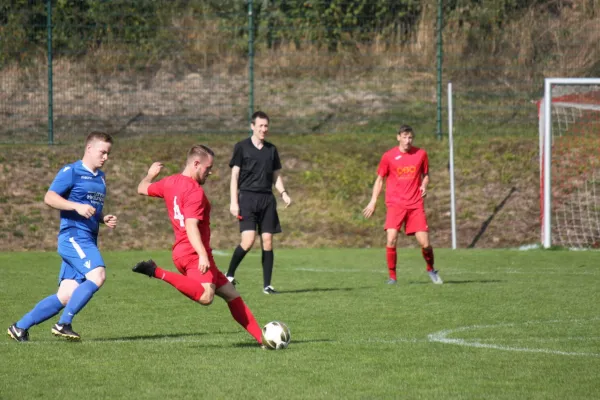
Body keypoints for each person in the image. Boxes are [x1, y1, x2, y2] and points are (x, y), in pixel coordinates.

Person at [132, 145, 264, 345]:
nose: (210, 172)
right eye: (208, 167)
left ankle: (263, 340)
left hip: (185, 251)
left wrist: (150, 175)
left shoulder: (170, 182)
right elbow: (191, 225)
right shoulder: (194, 192)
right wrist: (202, 255)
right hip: (193, 253)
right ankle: (156, 271)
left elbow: (141, 188)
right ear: (195, 163)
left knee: (231, 294)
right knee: (205, 296)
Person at [7, 131, 118, 342]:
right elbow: (49, 197)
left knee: (66, 295)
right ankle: (63, 323)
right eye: (102, 152)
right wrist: (75, 206)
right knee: (98, 275)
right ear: (89, 149)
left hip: (87, 238)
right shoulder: (72, 171)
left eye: (108, 154)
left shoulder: (101, 178)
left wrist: (104, 218)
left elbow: (91, 208)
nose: (105, 158)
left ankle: (19, 327)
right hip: (74, 237)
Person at [362, 125, 442, 285]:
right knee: (391, 239)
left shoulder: (421, 154)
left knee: (425, 244)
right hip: (395, 204)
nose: (408, 140)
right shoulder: (388, 156)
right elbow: (379, 180)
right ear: (398, 137)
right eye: (404, 137)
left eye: (410, 137)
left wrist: (424, 185)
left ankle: (430, 268)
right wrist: (373, 201)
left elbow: (426, 175)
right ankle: (392, 277)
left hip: (415, 205)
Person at [226, 111, 292, 294]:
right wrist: (233, 202)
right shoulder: (242, 147)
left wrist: (283, 193)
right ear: (252, 126)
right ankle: (229, 275)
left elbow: (276, 175)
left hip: (267, 200)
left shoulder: (271, 150)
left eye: (266, 126)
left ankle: (267, 286)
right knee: (247, 242)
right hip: (247, 198)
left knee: (268, 241)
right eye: (260, 126)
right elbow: (234, 176)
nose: (264, 129)